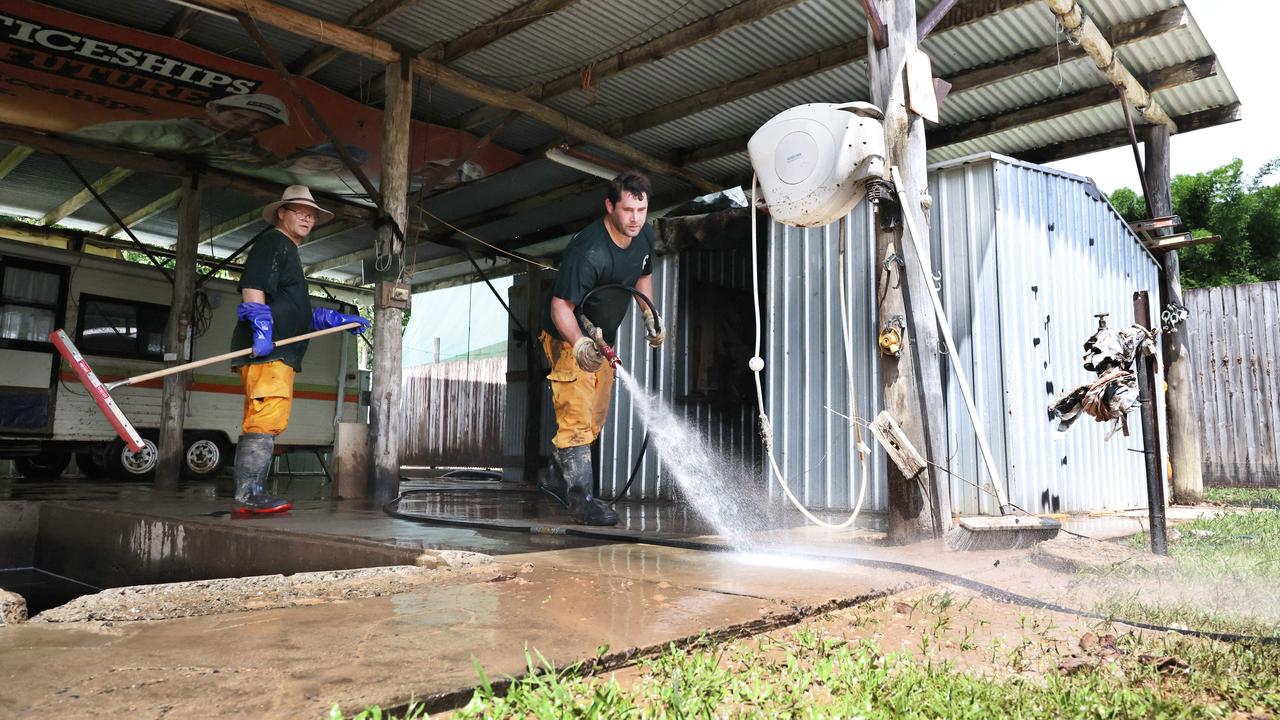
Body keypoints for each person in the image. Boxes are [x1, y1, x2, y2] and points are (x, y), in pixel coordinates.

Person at [230, 185, 369, 513]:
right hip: (269, 351)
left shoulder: (288, 250)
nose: (308, 217)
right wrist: (261, 328)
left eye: (312, 214)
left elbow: (293, 310)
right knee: (267, 417)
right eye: (299, 211)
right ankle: (249, 494)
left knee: (261, 419)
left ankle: (248, 493)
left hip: (277, 351)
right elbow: (253, 286)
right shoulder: (273, 242)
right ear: (282, 213)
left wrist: (330, 319)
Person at [539, 170, 665, 526]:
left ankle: (554, 477)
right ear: (609, 206)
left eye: (641, 210)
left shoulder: (642, 236)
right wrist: (578, 343)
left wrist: (649, 313)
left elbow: (643, 272)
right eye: (627, 210)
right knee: (576, 420)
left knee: (594, 419)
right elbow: (560, 306)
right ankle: (581, 503)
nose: (635, 219)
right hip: (568, 338)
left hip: (601, 339)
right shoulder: (588, 250)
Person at [72, 93, 289, 169]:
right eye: (238, 116)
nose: (247, 125)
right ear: (212, 109)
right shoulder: (161, 130)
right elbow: (85, 138)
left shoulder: (264, 157)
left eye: (260, 123)